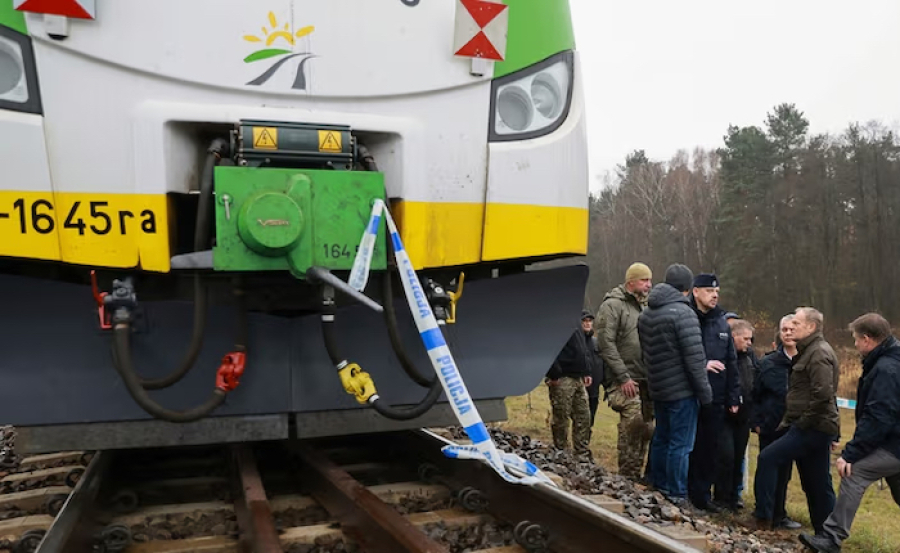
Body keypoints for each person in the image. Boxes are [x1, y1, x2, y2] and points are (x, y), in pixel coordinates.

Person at [799, 313, 900, 552]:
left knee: (854, 473)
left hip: (894, 444)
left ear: (867, 339)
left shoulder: (886, 369)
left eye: (855, 339)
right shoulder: (890, 360)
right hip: (893, 440)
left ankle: (831, 538)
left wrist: (852, 453)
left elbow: (878, 417)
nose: (854, 345)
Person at [753, 307, 839, 532]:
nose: (792, 328)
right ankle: (826, 533)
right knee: (816, 482)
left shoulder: (818, 353)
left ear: (810, 327)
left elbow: (823, 394)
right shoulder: (808, 350)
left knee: (768, 458)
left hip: (812, 427)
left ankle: (763, 519)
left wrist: (801, 422)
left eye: (797, 324)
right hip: (812, 425)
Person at [638, 263, 712, 506]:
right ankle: (677, 493)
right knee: (680, 444)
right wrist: (705, 393)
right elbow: (694, 358)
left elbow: (645, 353)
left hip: (658, 387)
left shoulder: (646, 314)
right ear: (687, 288)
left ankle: (657, 483)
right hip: (682, 390)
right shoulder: (684, 314)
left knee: (661, 437)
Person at [687, 273, 740, 512]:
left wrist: (733, 395)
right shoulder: (687, 316)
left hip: (716, 397)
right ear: (695, 291)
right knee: (688, 446)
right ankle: (682, 490)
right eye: (709, 290)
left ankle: (702, 496)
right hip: (689, 393)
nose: (715, 295)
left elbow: (731, 361)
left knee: (710, 449)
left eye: (717, 291)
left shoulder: (721, 321)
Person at [596, 262, 653, 480]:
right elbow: (605, 344)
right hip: (623, 379)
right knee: (632, 423)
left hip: (645, 378)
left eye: (649, 280)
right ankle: (626, 477)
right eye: (644, 280)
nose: (649, 285)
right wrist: (623, 377)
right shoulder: (612, 305)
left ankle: (636, 476)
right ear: (631, 282)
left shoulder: (646, 307)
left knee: (647, 429)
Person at [750, 315, 802, 530]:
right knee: (767, 470)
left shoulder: (808, 361)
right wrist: (756, 421)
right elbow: (755, 394)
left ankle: (779, 515)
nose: (788, 333)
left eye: (792, 329)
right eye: (784, 329)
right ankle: (763, 513)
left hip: (795, 427)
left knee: (785, 474)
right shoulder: (767, 362)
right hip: (771, 425)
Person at [714, 319, 756, 510]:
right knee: (726, 456)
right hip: (724, 415)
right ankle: (721, 497)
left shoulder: (749, 357)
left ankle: (734, 496)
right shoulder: (721, 357)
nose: (749, 343)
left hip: (744, 416)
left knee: (739, 457)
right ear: (734, 337)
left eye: (751, 339)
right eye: (745, 338)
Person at [545, 310, 596, 459]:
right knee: (561, 417)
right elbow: (549, 348)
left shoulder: (576, 325)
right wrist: (554, 374)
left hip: (577, 378)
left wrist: (586, 371)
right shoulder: (558, 322)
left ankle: (581, 452)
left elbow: (583, 350)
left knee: (583, 416)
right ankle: (561, 451)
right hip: (563, 377)